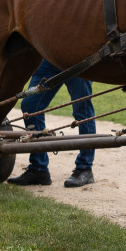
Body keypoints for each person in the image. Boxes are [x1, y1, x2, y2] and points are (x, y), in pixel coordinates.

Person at [8, 60, 97, 188]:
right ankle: (39, 168)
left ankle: (85, 168)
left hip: (78, 56)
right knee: (30, 106)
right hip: (49, 57)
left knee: (82, 110)